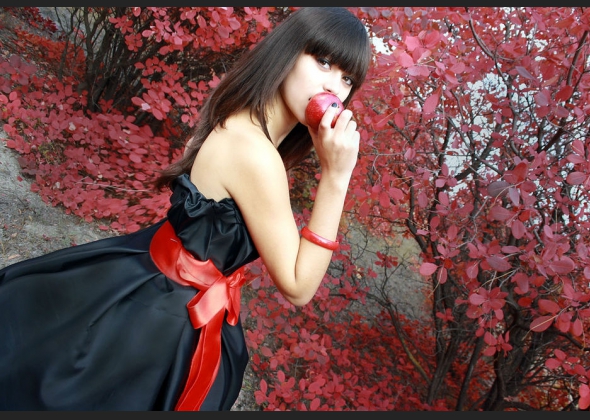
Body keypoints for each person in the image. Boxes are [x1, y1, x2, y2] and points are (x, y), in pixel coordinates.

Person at [0, 7, 372, 411]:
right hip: (164, 323)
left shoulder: (241, 119)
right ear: (288, 52)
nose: (333, 86)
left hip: (153, 289)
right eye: (323, 61)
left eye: (347, 79)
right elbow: (299, 287)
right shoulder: (255, 153)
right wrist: (336, 177)